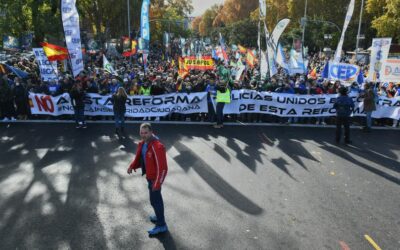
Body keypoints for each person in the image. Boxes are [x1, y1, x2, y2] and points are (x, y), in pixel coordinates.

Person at [127, 123, 168, 235]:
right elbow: (141, 158)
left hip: (155, 180)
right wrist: (132, 166)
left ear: (151, 132)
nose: (143, 135)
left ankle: (161, 225)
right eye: (141, 132)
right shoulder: (143, 143)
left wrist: (157, 183)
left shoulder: (157, 146)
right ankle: (158, 216)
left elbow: (162, 168)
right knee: (154, 201)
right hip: (150, 178)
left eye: (146, 133)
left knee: (156, 201)